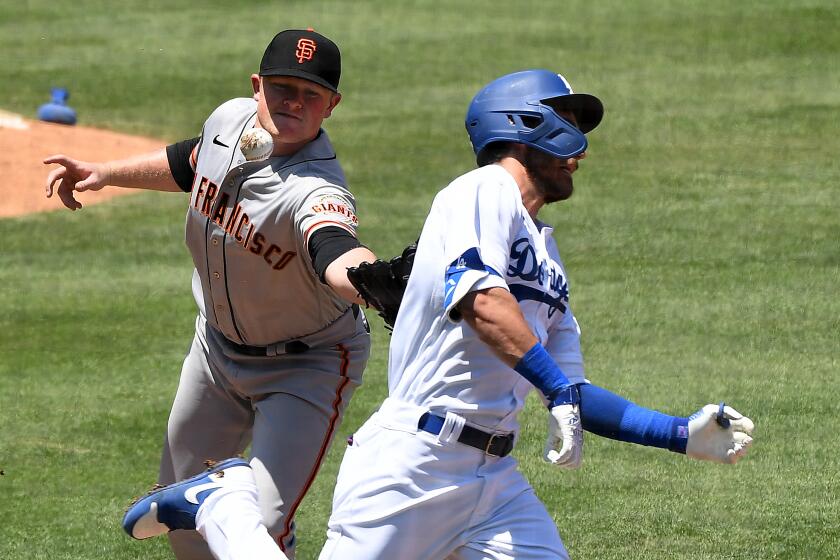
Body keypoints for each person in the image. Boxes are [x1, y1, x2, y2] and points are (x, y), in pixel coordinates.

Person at [121, 69, 755, 560]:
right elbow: (480, 299)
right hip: (412, 464)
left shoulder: (548, 256)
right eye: (568, 125)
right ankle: (223, 507)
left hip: (494, 479)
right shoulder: (479, 194)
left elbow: (573, 392)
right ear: (523, 123)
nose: (581, 149)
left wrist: (676, 434)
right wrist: (556, 387)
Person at [44, 29, 376, 560]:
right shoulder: (230, 120)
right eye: (281, 86)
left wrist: (368, 278)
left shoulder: (318, 189)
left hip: (304, 368)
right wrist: (106, 173)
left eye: (310, 94)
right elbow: (190, 162)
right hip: (215, 353)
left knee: (258, 530)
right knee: (182, 520)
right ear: (256, 86)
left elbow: (334, 248)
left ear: (331, 105)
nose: (293, 101)